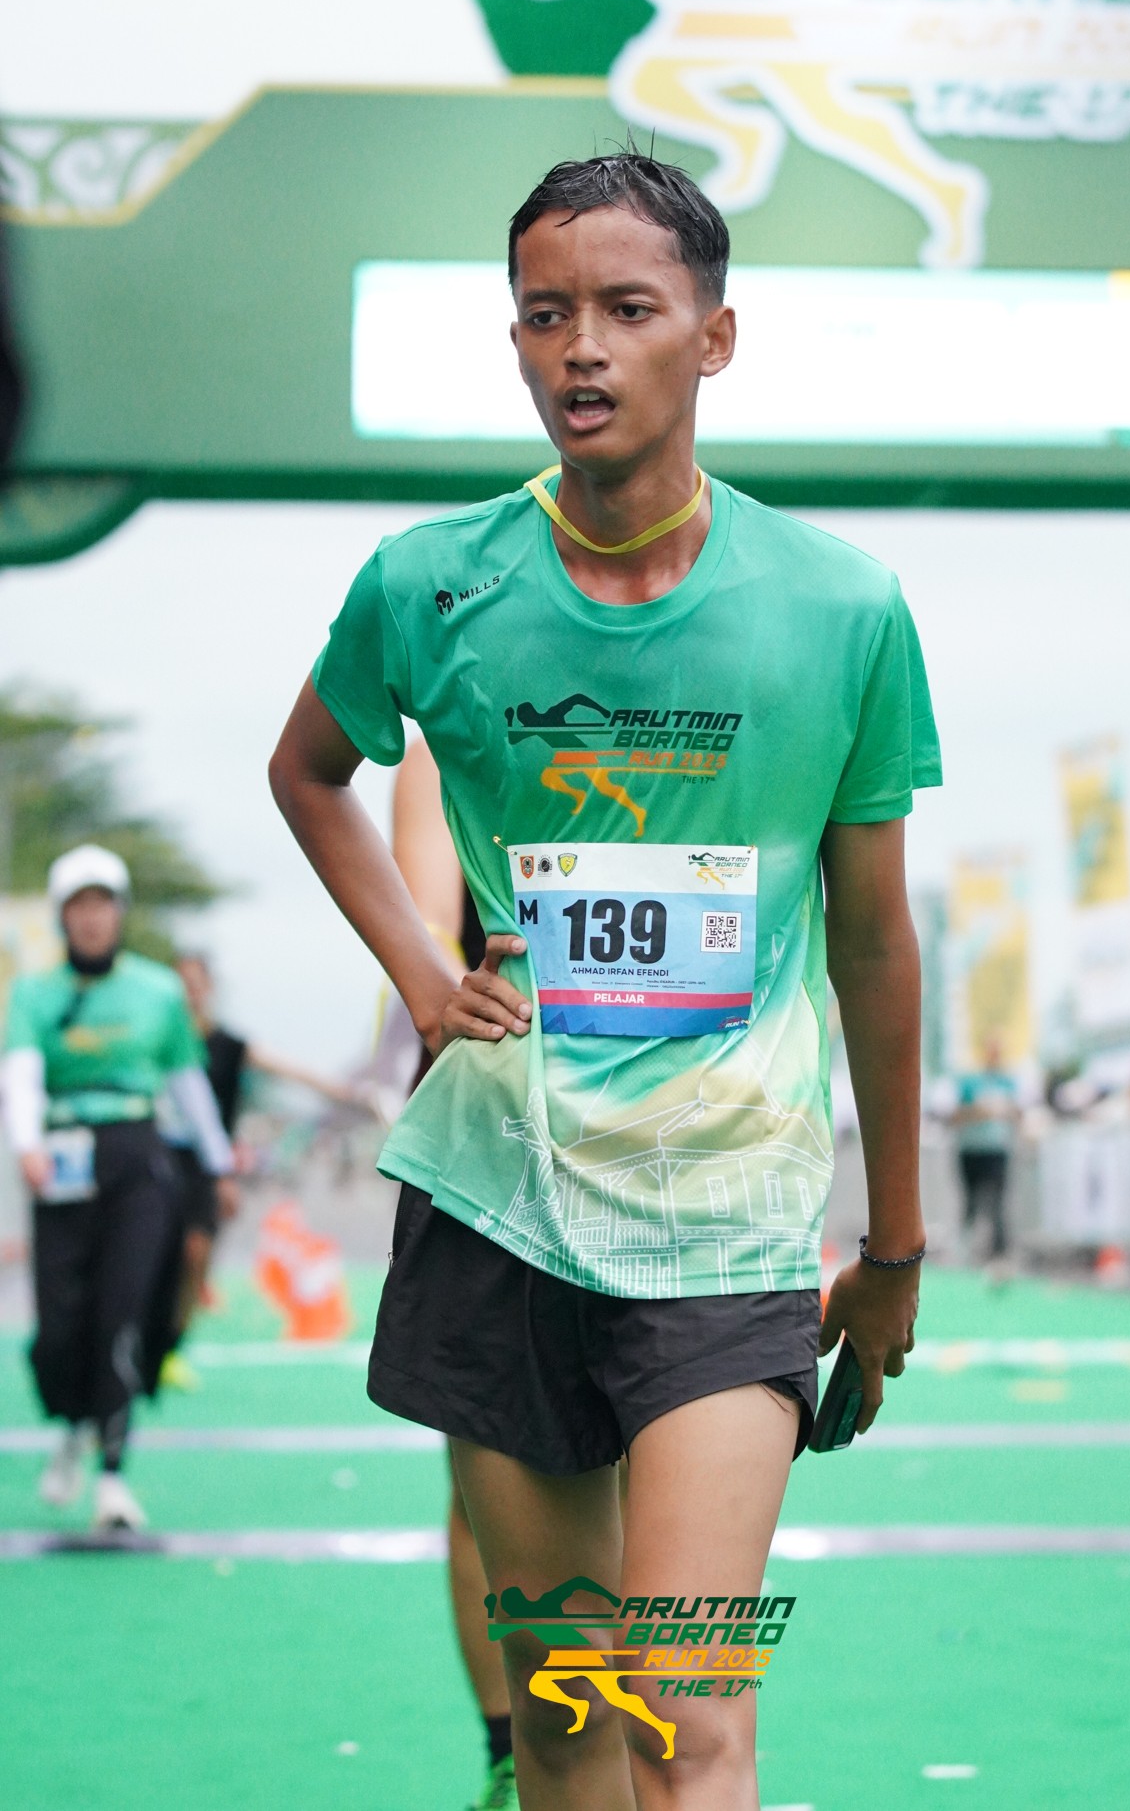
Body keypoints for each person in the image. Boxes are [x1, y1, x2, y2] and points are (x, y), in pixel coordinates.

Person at [270, 152, 940, 1808]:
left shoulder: (843, 608)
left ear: (714, 337)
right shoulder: (430, 582)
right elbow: (309, 773)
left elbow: (873, 941)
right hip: (500, 1210)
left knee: (687, 1714)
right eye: (543, 313)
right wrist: (423, 977)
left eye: (628, 309)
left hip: (729, 1223)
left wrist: (898, 1249)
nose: (580, 347)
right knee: (567, 1713)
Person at [0, 845, 234, 1531]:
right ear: (61, 916)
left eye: (102, 903)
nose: (92, 918)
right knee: (58, 1329)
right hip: (61, 1162)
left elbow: (187, 1084)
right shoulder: (33, 993)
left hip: (137, 1158)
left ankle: (111, 1475)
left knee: (122, 1313)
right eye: (78, 905)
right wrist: (26, 1143)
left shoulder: (158, 991)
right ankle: (74, 1421)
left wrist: (219, 1166)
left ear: (120, 912)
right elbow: (21, 1072)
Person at [389, 735, 519, 1811]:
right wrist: (442, 987)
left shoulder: (693, 705)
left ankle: (644, 1737)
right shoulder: (443, 739)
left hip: (666, 1130)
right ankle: (510, 1745)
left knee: (648, 1460)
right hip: (489, 1121)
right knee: (483, 1481)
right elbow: (427, 920)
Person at [160, 952, 372, 1376]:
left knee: (197, 1253)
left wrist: (343, 1093)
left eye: (196, 984)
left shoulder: (229, 1045)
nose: (189, 993)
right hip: (161, 1159)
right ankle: (148, 1340)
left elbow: (288, 1070)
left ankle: (171, 1346)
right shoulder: (157, 1042)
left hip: (209, 1166)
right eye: (181, 985)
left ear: (209, 989)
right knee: (158, 1253)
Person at [951, 1036, 1020, 1270]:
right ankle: (964, 1250)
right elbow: (956, 1115)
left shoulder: (1008, 1083)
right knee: (970, 1200)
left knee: (997, 1202)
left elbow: (1016, 1114)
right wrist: (978, 1112)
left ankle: (999, 1254)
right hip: (971, 1150)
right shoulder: (970, 1082)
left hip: (996, 1150)